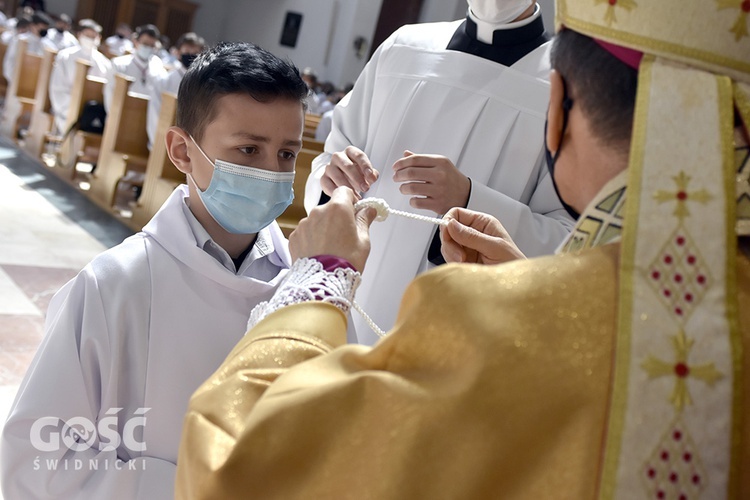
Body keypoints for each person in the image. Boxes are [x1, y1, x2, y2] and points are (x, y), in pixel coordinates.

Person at [174, 0, 750, 497]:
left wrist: (320, 274)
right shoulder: (403, 48)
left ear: (558, 110)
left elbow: (239, 465)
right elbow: (335, 148)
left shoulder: (488, 332)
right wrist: (332, 172)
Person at [0, 41, 309, 498]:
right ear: (182, 152)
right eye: (248, 150)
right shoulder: (115, 285)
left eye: (287, 155)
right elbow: (32, 464)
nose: (270, 172)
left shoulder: (304, 288)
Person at [306, 0, 575, 345]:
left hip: (461, 338)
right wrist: (332, 180)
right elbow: (329, 164)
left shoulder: (567, 89)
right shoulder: (402, 48)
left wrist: (469, 198)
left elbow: (572, 241)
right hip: (350, 303)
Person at [48, 19, 111, 135]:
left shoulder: (105, 63)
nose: (90, 39)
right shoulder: (65, 56)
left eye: (94, 36)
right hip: (67, 106)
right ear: (79, 35)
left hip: (92, 110)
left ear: (99, 38)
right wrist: (73, 107)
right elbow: (58, 86)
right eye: (87, 35)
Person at [146, 32, 206, 149]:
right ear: (178, 52)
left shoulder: (203, 86)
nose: (191, 54)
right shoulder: (163, 81)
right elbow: (154, 115)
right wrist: (160, 143)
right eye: (187, 50)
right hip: (162, 144)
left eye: (195, 52)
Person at [103, 24, 166, 112]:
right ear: (136, 42)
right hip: (121, 115)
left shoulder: (158, 67)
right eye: (145, 44)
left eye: (152, 46)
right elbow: (110, 93)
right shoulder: (119, 64)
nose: (148, 48)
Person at [2, 10, 54, 82]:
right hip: (17, 80)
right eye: (42, 26)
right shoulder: (19, 40)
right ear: (32, 25)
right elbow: (10, 61)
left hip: (37, 83)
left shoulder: (49, 46)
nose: (44, 29)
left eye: (46, 27)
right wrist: (13, 80)